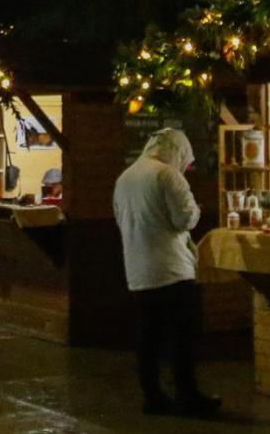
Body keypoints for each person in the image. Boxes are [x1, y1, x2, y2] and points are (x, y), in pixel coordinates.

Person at [113, 128, 221, 417]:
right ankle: (187, 396)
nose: (186, 166)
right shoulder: (168, 175)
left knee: (147, 337)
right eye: (186, 159)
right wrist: (196, 209)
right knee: (180, 337)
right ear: (178, 151)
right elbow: (183, 219)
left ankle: (153, 396)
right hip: (172, 270)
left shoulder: (125, 177)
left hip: (137, 270)